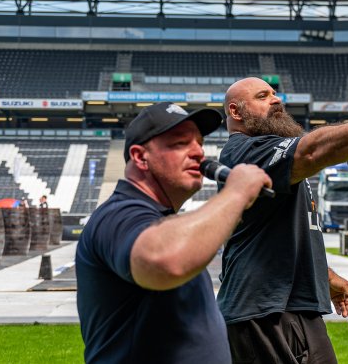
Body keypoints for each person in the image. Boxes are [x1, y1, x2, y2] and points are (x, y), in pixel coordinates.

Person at [219, 76, 348, 363]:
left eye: (275, 94)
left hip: (297, 306)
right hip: (258, 310)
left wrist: (325, 276)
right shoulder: (242, 152)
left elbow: (282, 232)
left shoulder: (277, 160)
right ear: (236, 112)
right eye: (263, 96)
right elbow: (313, 150)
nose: (277, 100)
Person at [76, 102, 271, 363]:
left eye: (199, 143)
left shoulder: (161, 218)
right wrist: (236, 192)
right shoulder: (119, 214)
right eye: (180, 143)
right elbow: (164, 260)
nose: (198, 153)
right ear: (139, 156)